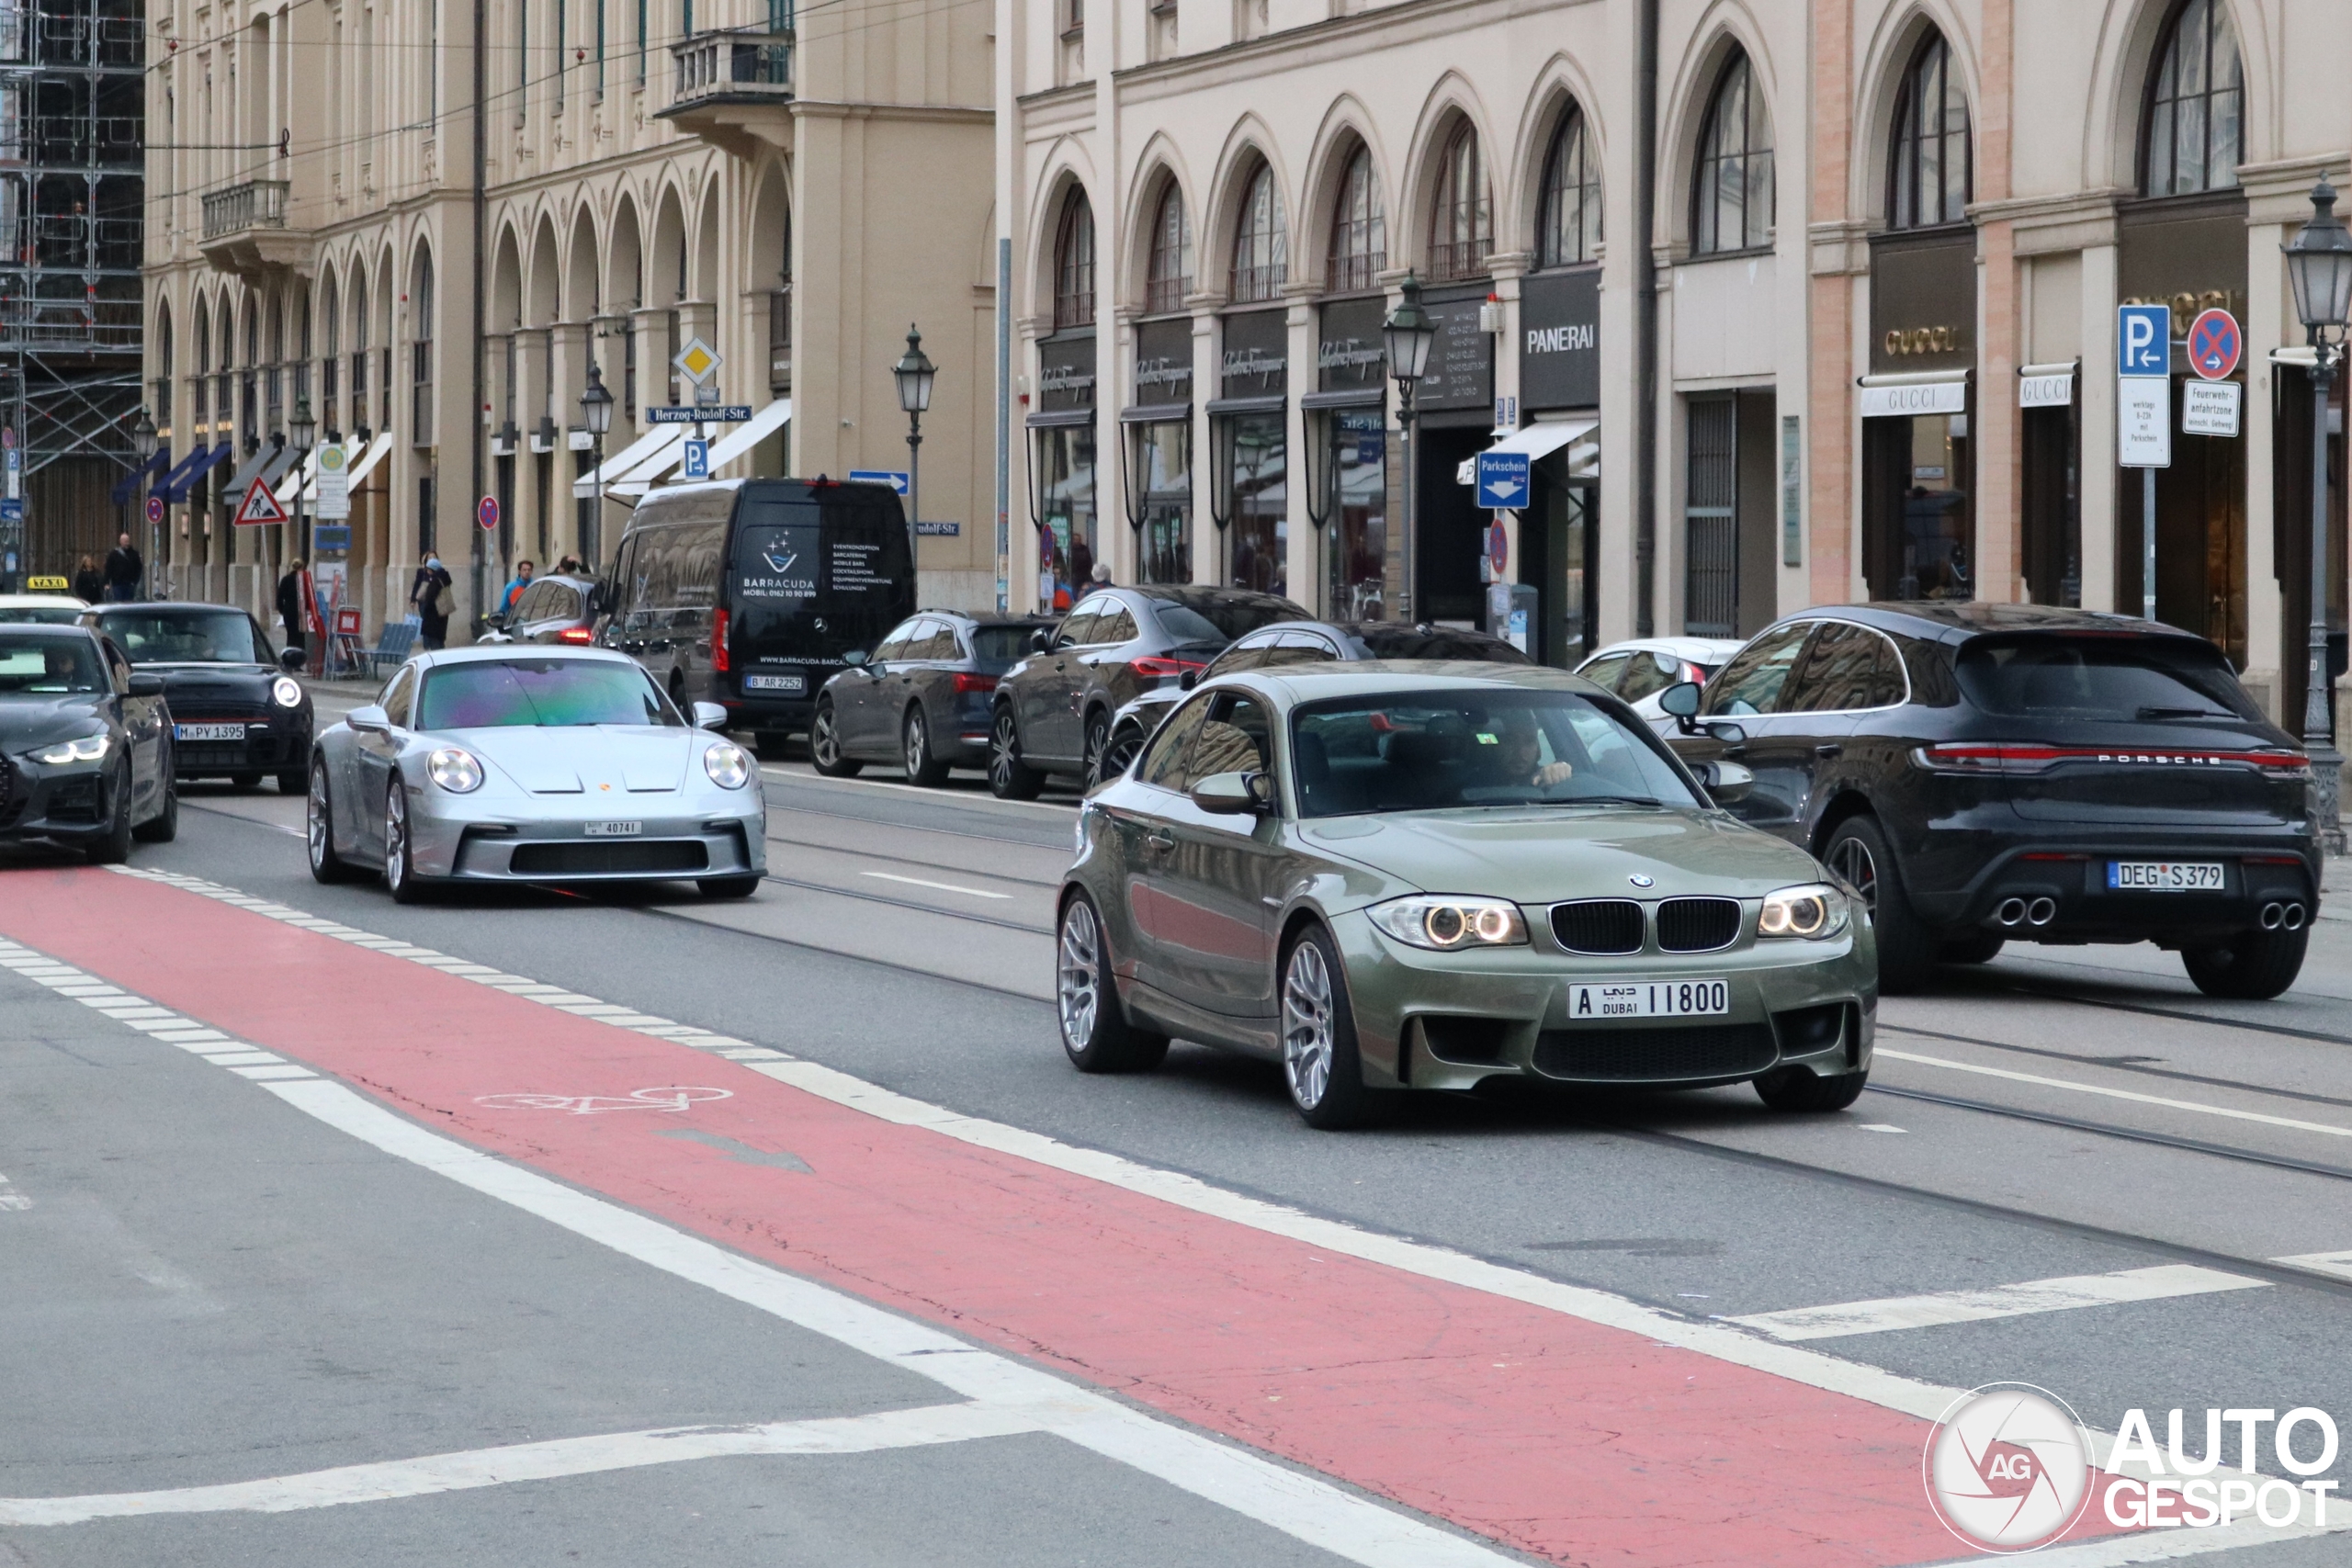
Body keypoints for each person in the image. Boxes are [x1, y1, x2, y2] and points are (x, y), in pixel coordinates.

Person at [1487, 709, 1575, 790]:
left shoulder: (1547, 780)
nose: (1520, 752)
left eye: (1529, 742)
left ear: (1538, 749)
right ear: (1497, 746)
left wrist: (1561, 772)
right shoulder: (1477, 782)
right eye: (1510, 741)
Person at [411, 552, 454, 650]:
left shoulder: (435, 581)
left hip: (433, 617)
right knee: (439, 641)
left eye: (429, 569)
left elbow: (430, 598)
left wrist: (426, 608)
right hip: (442, 614)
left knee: (435, 644)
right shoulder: (443, 577)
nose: (427, 571)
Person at [277, 557, 310, 660]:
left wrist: (282, 610)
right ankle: (299, 660)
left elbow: (279, 597)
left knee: (291, 636)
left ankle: (290, 658)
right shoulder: (304, 580)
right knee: (300, 637)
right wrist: (308, 609)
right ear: (302, 567)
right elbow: (308, 596)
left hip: (289, 612)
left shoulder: (286, 579)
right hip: (301, 612)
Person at [102, 532, 142, 602]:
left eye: (127, 541)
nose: (126, 542)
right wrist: (106, 582)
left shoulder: (134, 554)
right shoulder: (114, 554)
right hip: (117, 584)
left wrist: (135, 581)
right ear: (120, 542)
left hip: (130, 584)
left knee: (129, 602)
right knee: (118, 602)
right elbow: (108, 569)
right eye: (125, 541)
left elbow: (138, 568)